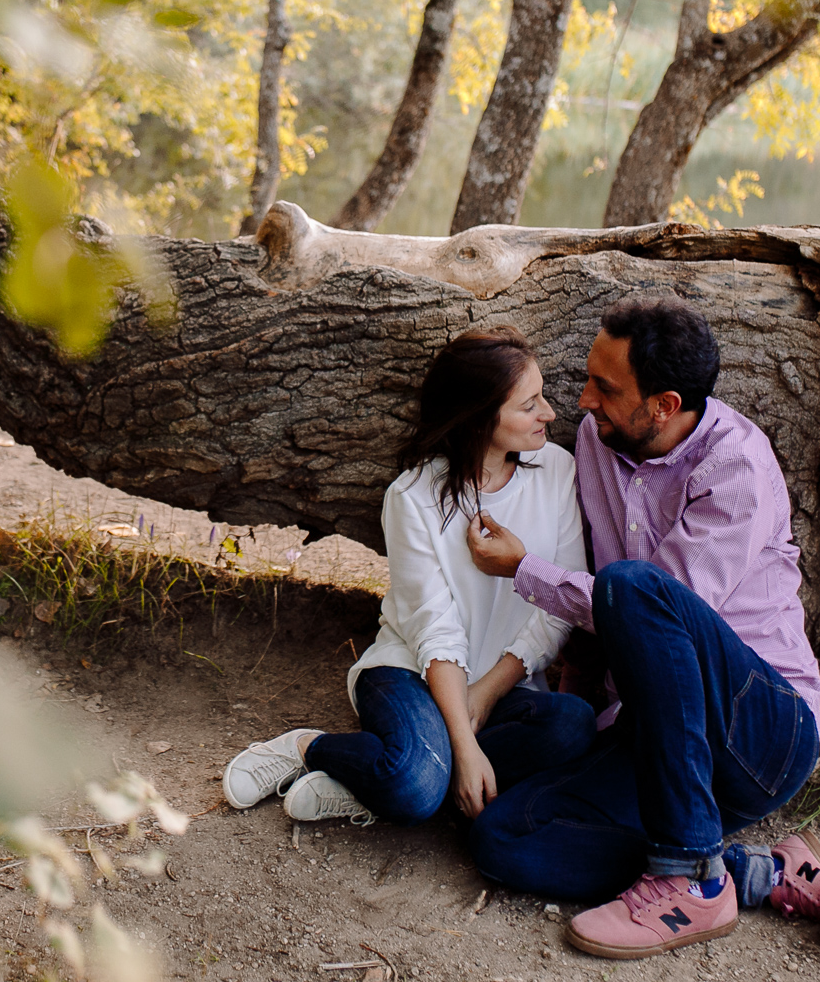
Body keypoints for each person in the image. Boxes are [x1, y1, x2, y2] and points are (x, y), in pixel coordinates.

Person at [464, 297, 820, 959]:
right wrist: (583, 702)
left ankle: (684, 867)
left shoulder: (735, 469)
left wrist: (525, 569)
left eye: (605, 387)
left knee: (635, 587)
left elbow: (651, 607)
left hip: (761, 732)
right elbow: (609, 600)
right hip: (655, 733)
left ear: (662, 405)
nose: (584, 402)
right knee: (502, 838)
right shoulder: (601, 443)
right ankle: (750, 873)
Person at [221, 326, 596, 826]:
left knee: (573, 726)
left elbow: (558, 604)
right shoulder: (414, 496)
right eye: (529, 405)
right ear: (481, 417)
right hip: (413, 672)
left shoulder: (557, 470)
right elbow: (433, 630)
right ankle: (309, 749)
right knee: (416, 788)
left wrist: (483, 695)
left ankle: (376, 782)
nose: (549, 412)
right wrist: (464, 745)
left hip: (503, 686)